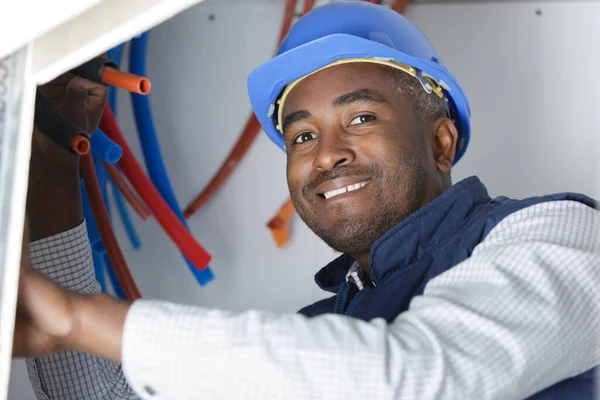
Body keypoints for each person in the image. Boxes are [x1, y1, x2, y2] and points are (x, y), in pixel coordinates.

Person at [12, 2, 600, 399]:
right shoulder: (318, 335)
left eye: (361, 117)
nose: (326, 154)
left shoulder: (556, 235)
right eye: (301, 135)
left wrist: (79, 318)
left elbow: (418, 375)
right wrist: (52, 167)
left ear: (441, 141)